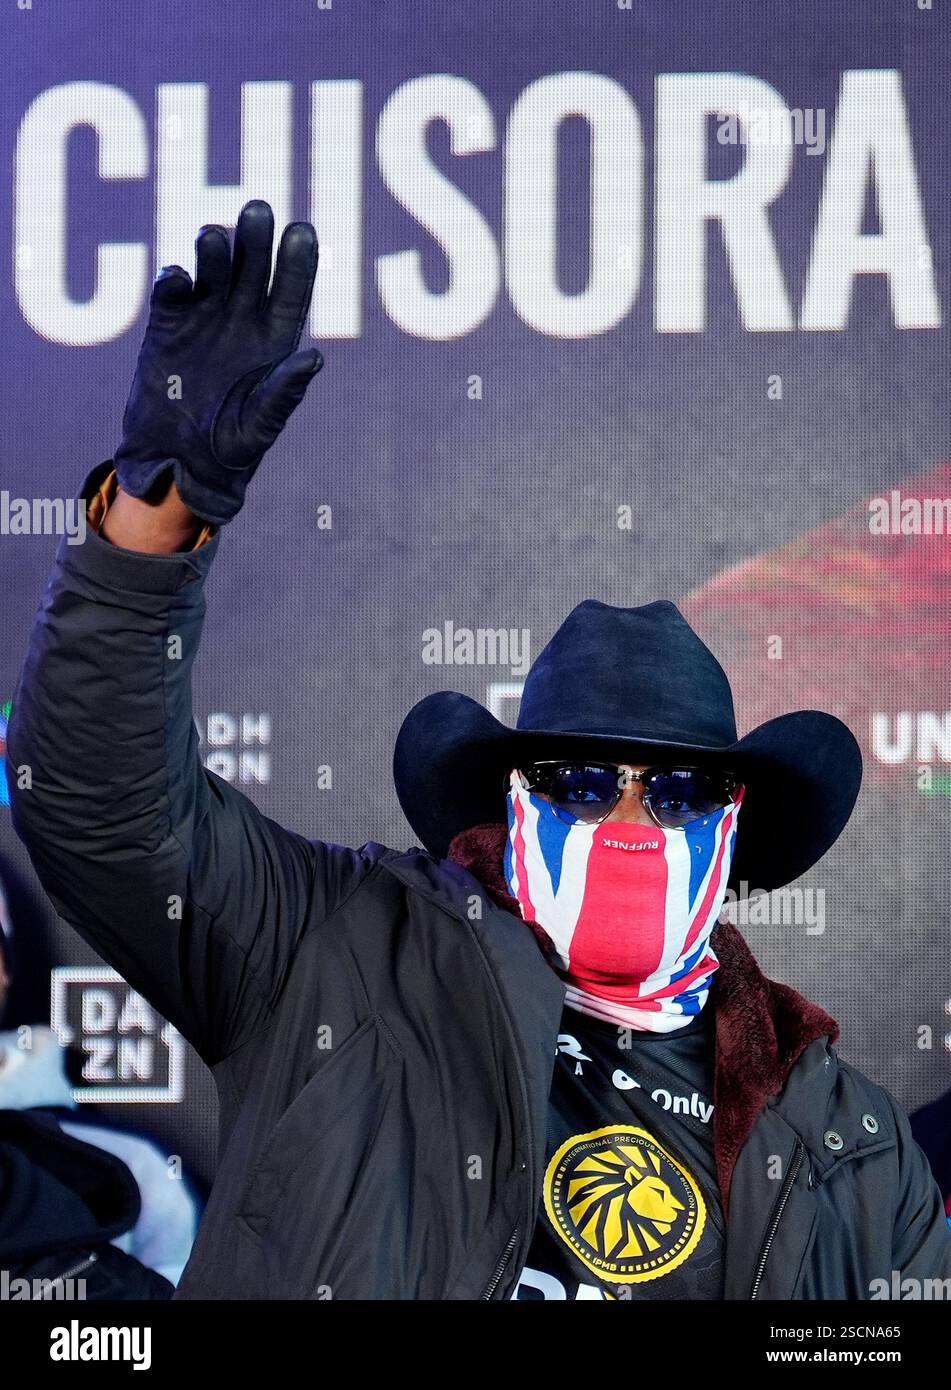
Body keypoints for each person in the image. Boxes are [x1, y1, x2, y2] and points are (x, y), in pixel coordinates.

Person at [7, 200, 951, 1300]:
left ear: (733, 827)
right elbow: (96, 803)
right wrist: (153, 514)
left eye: (681, 789)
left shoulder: (851, 1145)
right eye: (583, 782)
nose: (631, 823)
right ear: (512, 804)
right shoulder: (332, 955)